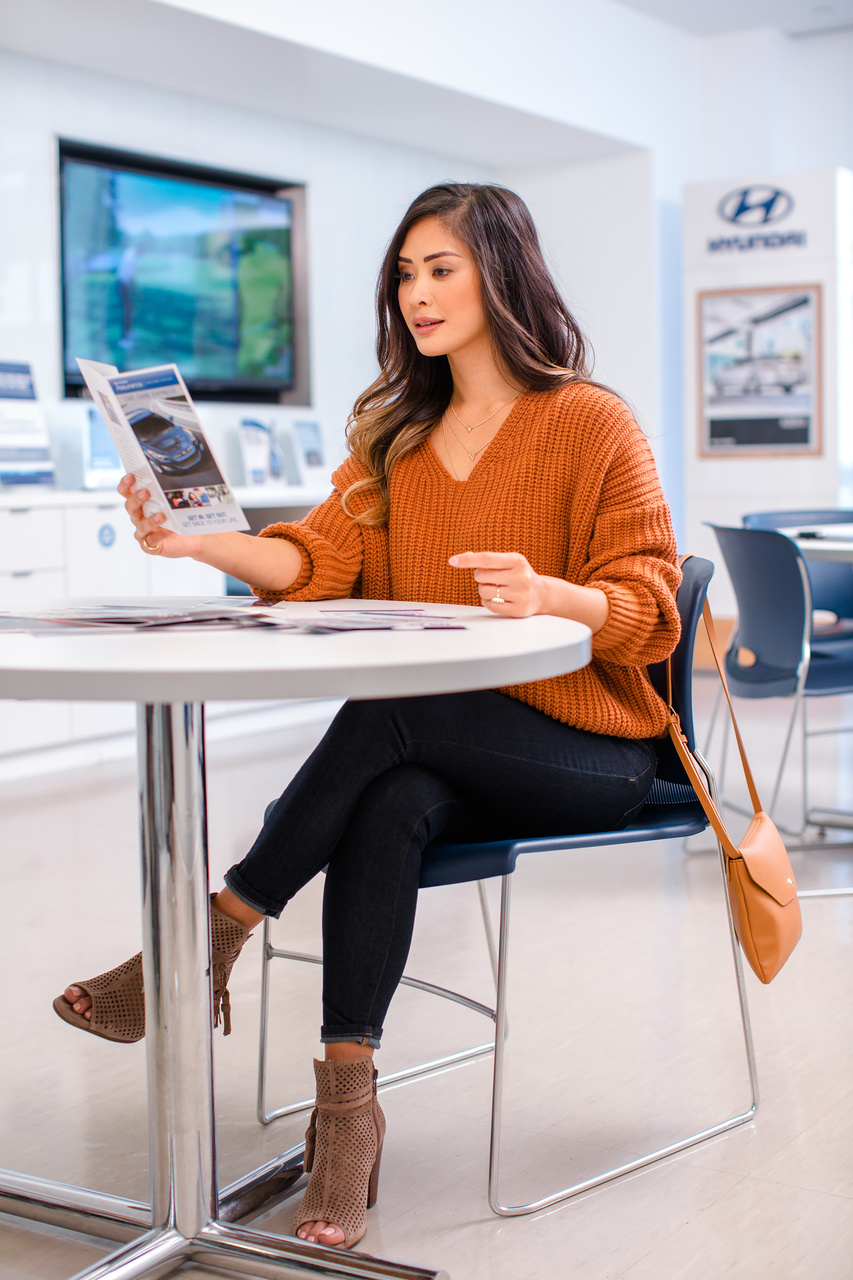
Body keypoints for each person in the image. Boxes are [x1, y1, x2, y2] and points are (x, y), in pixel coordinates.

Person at [54, 183, 681, 1250]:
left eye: (441, 267)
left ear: (502, 270)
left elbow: (653, 606)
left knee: (398, 717)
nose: (418, 292)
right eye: (404, 273)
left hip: (597, 744)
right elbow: (316, 560)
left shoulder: (589, 420)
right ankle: (347, 1106)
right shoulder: (396, 434)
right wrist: (201, 540)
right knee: (390, 794)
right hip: (445, 740)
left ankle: (207, 939)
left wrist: (552, 594)